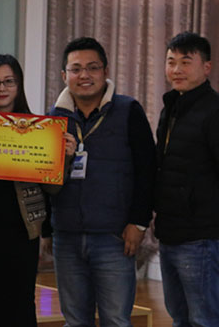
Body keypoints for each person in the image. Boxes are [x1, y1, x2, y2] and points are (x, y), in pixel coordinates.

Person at [46, 36, 156, 327]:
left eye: (92, 67)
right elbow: (44, 178)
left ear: (105, 71)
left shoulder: (129, 110)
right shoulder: (53, 118)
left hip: (114, 237)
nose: (84, 75)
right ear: (64, 75)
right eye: (76, 69)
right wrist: (47, 229)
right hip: (67, 236)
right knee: (74, 321)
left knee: (116, 320)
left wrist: (139, 223)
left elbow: (147, 171)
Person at [0, 54, 71, 327]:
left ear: (18, 85)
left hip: (23, 229)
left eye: (9, 81)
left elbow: (52, 188)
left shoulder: (40, 129)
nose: (2, 88)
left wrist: (63, 157)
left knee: (20, 305)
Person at [154, 32, 219, 327]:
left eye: (186, 62)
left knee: (205, 320)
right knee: (179, 317)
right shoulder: (171, 108)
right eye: (171, 62)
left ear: (206, 67)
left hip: (202, 237)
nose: (177, 69)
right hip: (171, 231)